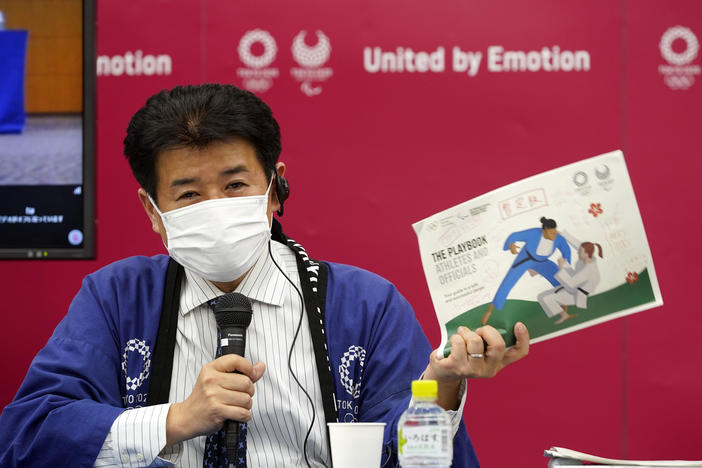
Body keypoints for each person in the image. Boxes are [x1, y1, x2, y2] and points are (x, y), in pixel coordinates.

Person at [0, 84, 529, 468]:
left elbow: (419, 461)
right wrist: (174, 420)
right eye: (187, 194)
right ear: (152, 210)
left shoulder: (366, 305)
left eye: (234, 186)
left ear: (275, 189)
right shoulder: (117, 298)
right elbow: (28, 434)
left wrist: (443, 386)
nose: (215, 207)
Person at [481, 217, 571, 325]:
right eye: (551, 233)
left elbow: (566, 250)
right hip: (526, 258)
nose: (553, 235)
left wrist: (564, 262)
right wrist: (511, 245)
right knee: (508, 282)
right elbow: (514, 236)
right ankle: (490, 312)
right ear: (544, 230)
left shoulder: (558, 238)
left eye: (554, 232)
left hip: (542, 261)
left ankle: (565, 311)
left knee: (559, 279)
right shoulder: (534, 233)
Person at [537, 231, 603, 324]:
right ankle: (564, 315)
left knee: (546, 298)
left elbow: (571, 283)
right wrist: (562, 233)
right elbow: (577, 244)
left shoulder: (589, 269)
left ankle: (564, 316)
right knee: (542, 296)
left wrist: (561, 268)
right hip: (576, 287)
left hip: (578, 294)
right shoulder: (588, 258)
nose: (578, 253)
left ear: (587, 253)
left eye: (580, 252)